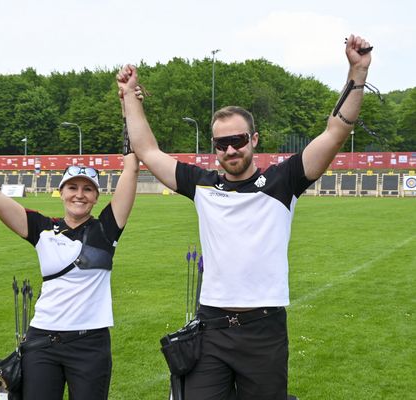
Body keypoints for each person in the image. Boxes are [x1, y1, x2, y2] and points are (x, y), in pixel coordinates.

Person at [117, 34, 372, 399]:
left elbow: (336, 131)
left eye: (238, 140)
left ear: (254, 139)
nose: (231, 149)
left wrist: (357, 71)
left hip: (263, 330)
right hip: (212, 327)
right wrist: (129, 96)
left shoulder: (284, 181)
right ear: (214, 148)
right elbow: (146, 149)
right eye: (222, 144)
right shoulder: (201, 185)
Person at [0, 91, 141, 399]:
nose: (79, 195)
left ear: (97, 197)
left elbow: (132, 169)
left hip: (91, 345)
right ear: (61, 192)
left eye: (88, 189)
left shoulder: (106, 230)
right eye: (72, 187)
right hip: (42, 342)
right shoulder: (41, 229)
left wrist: (129, 108)